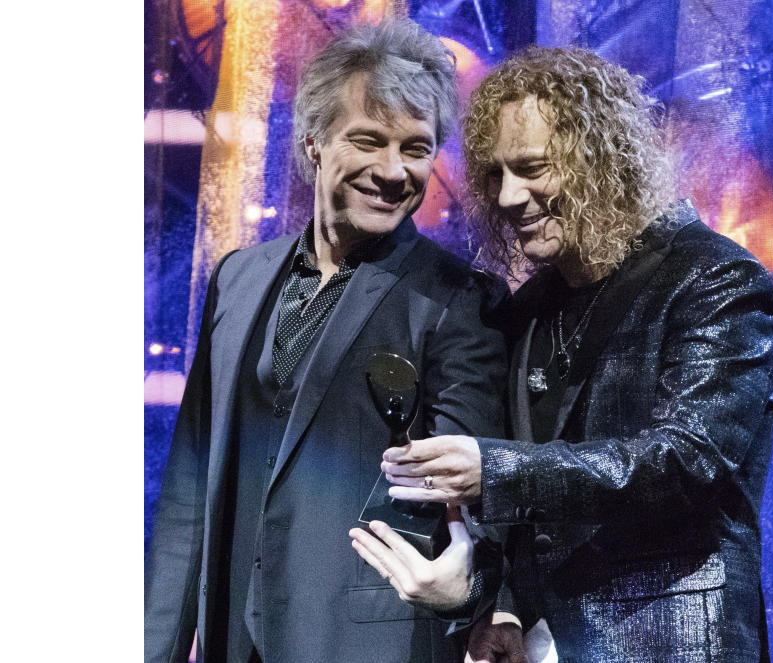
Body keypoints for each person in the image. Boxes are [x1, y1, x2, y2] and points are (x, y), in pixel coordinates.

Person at [351, 47, 773, 662]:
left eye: (533, 168)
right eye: (494, 174)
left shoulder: (713, 277)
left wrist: (498, 471)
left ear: (604, 163)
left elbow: (689, 460)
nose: (506, 196)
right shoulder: (530, 305)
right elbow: (537, 517)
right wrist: (501, 602)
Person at [145, 19, 508, 663]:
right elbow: (190, 485)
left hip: (367, 642)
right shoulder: (238, 277)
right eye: (368, 140)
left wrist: (476, 591)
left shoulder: (460, 300)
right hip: (232, 634)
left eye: (417, 148)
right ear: (314, 143)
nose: (393, 171)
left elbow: (468, 499)